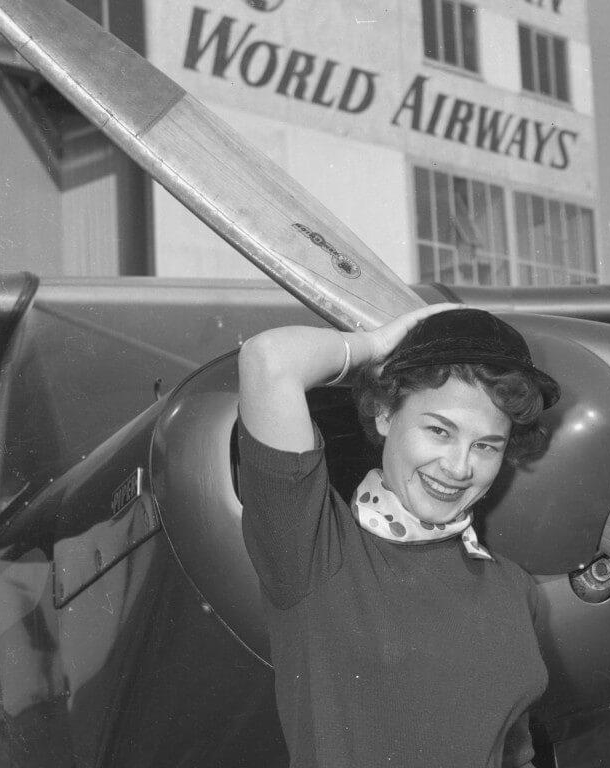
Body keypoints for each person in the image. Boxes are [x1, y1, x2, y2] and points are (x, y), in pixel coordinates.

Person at [237, 304, 561, 767]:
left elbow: (515, 755)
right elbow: (268, 360)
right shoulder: (315, 552)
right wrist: (375, 345)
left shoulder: (513, 586)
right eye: (438, 430)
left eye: (486, 445)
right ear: (386, 414)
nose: (459, 467)